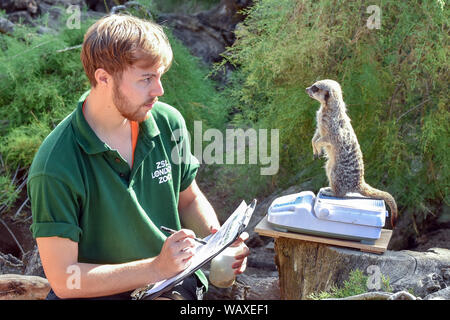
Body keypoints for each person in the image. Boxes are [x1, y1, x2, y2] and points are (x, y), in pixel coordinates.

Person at [27, 14, 249, 300]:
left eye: (159, 76)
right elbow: (64, 280)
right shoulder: (55, 165)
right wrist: (155, 268)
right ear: (103, 78)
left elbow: (189, 199)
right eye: (146, 79)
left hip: (171, 286)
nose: (159, 90)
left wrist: (219, 240)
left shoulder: (168, 122)